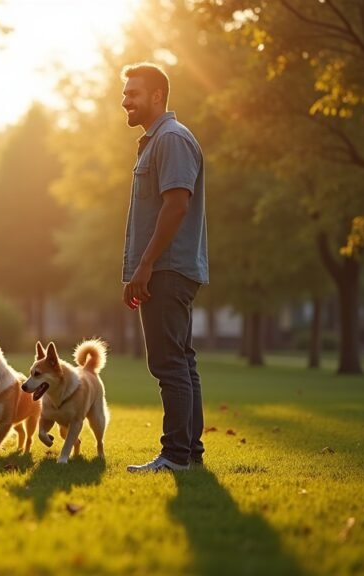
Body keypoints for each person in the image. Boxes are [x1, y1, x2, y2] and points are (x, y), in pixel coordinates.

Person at [119, 62, 208, 473]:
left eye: (133, 93)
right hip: (168, 269)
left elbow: (177, 204)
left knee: (168, 363)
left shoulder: (171, 139)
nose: (125, 101)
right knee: (180, 360)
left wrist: (146, 266)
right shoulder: (160, 141)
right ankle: (188, 453)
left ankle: (175, 455)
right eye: (125, 93)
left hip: (167, 271)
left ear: (157, 96)